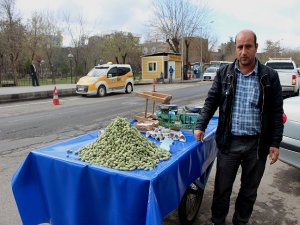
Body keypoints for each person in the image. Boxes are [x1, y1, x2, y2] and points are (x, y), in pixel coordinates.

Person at [194, 30, 283, 225]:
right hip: (229, 143)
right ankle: (218, 221)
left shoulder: (270, 77)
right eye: (240, 47)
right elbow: (211, 102)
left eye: (248, 46)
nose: (244, 51)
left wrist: (275, 143)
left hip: (257, 146)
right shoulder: (224, 73)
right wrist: (201, 125)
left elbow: (277, 112)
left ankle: (240, 222)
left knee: (249, 192)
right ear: (235, 49)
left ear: (256, 48)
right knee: (221, 189)